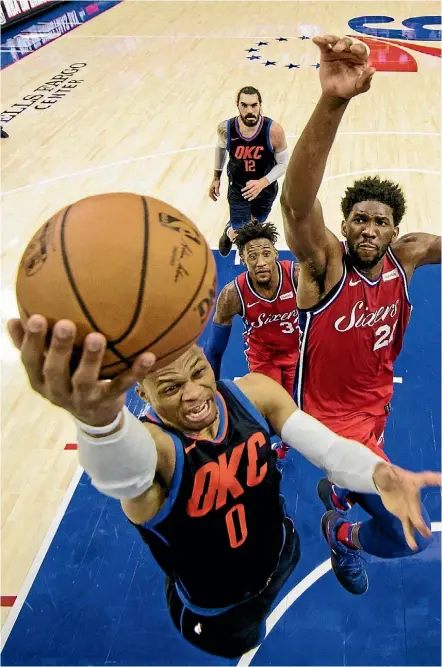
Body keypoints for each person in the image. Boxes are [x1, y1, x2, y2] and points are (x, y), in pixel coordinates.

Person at [7, 315, 440, 658]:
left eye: (199, 372)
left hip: (280, 549)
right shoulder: (155, 449)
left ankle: (335, 533)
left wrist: (376, 472)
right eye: (170, 387)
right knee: (247, 641)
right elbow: (121, 470)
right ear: (142, 391)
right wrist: (98, 425)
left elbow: (326, 448)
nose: (195, 393)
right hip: (221, 607)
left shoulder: (254, 393)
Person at [280, 34, 442, 595]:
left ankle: (340, 492)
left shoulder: (411, 255)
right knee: (405, 537)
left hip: (373, 409)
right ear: (345, 225)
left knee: (359, 481)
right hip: (325, 424)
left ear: (395, 229)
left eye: (380, 221)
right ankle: (341, 531)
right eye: (358, 219)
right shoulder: (323, 264)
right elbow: (297, 207)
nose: (368, 229)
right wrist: (334, 102)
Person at [205, 221, 299, 458]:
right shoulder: (232, 295)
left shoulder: (297, 277)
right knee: (264, 414)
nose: (261, 262)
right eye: (252, 256)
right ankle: (263, 455)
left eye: (266, 254)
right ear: (243, 260)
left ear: (276, 254)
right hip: (263, 358)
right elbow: (214, 350)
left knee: (293, 411)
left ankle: (283, 446)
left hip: (296, 354)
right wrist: (211, 391)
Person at [208, 86, 289, 256]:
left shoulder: (274, 131)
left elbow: (283, 164)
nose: (249, 110)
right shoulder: (226, 129)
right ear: (237, 106)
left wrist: (262, 182)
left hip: (266, 189)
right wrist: (216, 177)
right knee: (243, 236)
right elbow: (220, 148)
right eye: (244, 105)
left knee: (254, 225)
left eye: (254, 105)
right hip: (238, 188)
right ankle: (232, 234)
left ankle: (229, 230)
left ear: (260, 105)